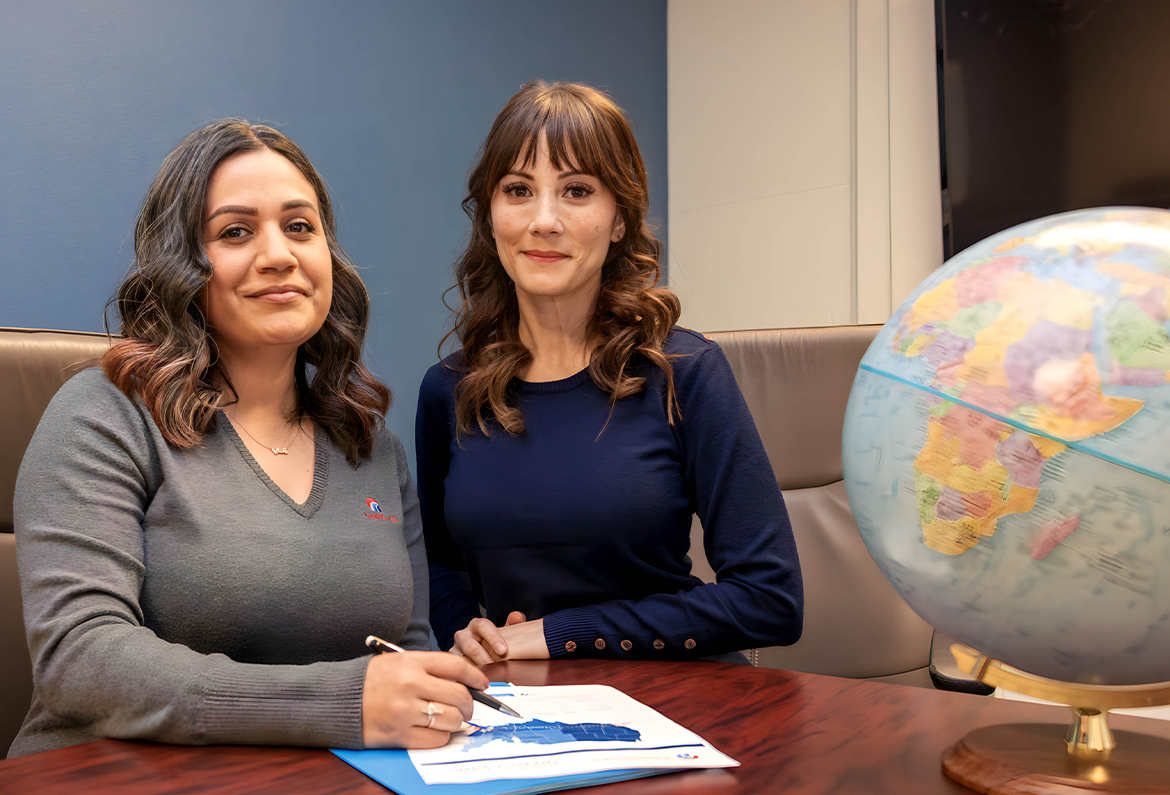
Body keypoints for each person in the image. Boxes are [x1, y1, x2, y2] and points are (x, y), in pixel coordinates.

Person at [9, 120, 487, 758]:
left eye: (300, 227)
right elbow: (80, 659)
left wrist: (435, 696)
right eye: (236, 231)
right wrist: (340, 704)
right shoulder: (105, 415)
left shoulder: (371, 448)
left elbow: (408, 649)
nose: (279, 255)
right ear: (183, 266)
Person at [417, 81, 804, 665]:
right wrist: (466, 627)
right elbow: (437, 568)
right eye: (518, 190)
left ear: (619, 219)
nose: (543, 220)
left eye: (576, 191)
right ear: (490, 216)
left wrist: (559, 634)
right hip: (522, 712)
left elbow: (770, 601)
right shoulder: (448, 389)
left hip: (678, 704)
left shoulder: (684, 373)